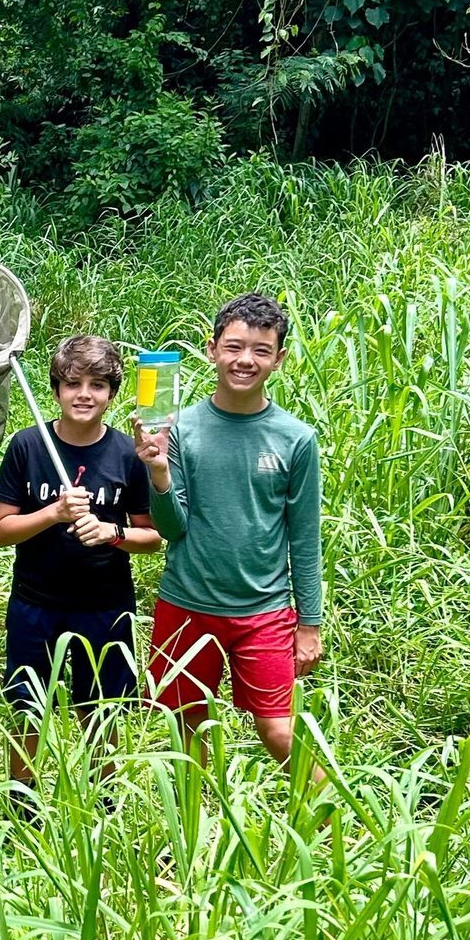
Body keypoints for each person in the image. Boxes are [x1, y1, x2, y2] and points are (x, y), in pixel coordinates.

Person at [133, 293, 325, 769]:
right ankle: (191, 837)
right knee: (186, 730)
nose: (245, 360)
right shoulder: (180, 430)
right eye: (234, 346)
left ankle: (336, 828)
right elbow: (172, 530)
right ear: (212, 348)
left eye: (261, 350)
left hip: (263, 610)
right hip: (185, 604)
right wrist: (159, 474)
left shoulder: (295, 438)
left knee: (280, 730)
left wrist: (310, 624)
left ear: (278, 358)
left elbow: (303, 537)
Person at [0, 335, 161, 789]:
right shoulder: (28, 446)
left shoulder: (128, 453)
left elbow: (152, 537)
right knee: (27, 705)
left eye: (97, 385)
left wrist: (113, 533)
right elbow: (0, 532)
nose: (84, 394)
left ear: (112, 392)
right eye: (73, 383)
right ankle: (21, 801)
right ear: (56, 389)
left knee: (100, 708)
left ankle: (102, 799)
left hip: (104, 605)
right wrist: (53, 513)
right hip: (34, 603)